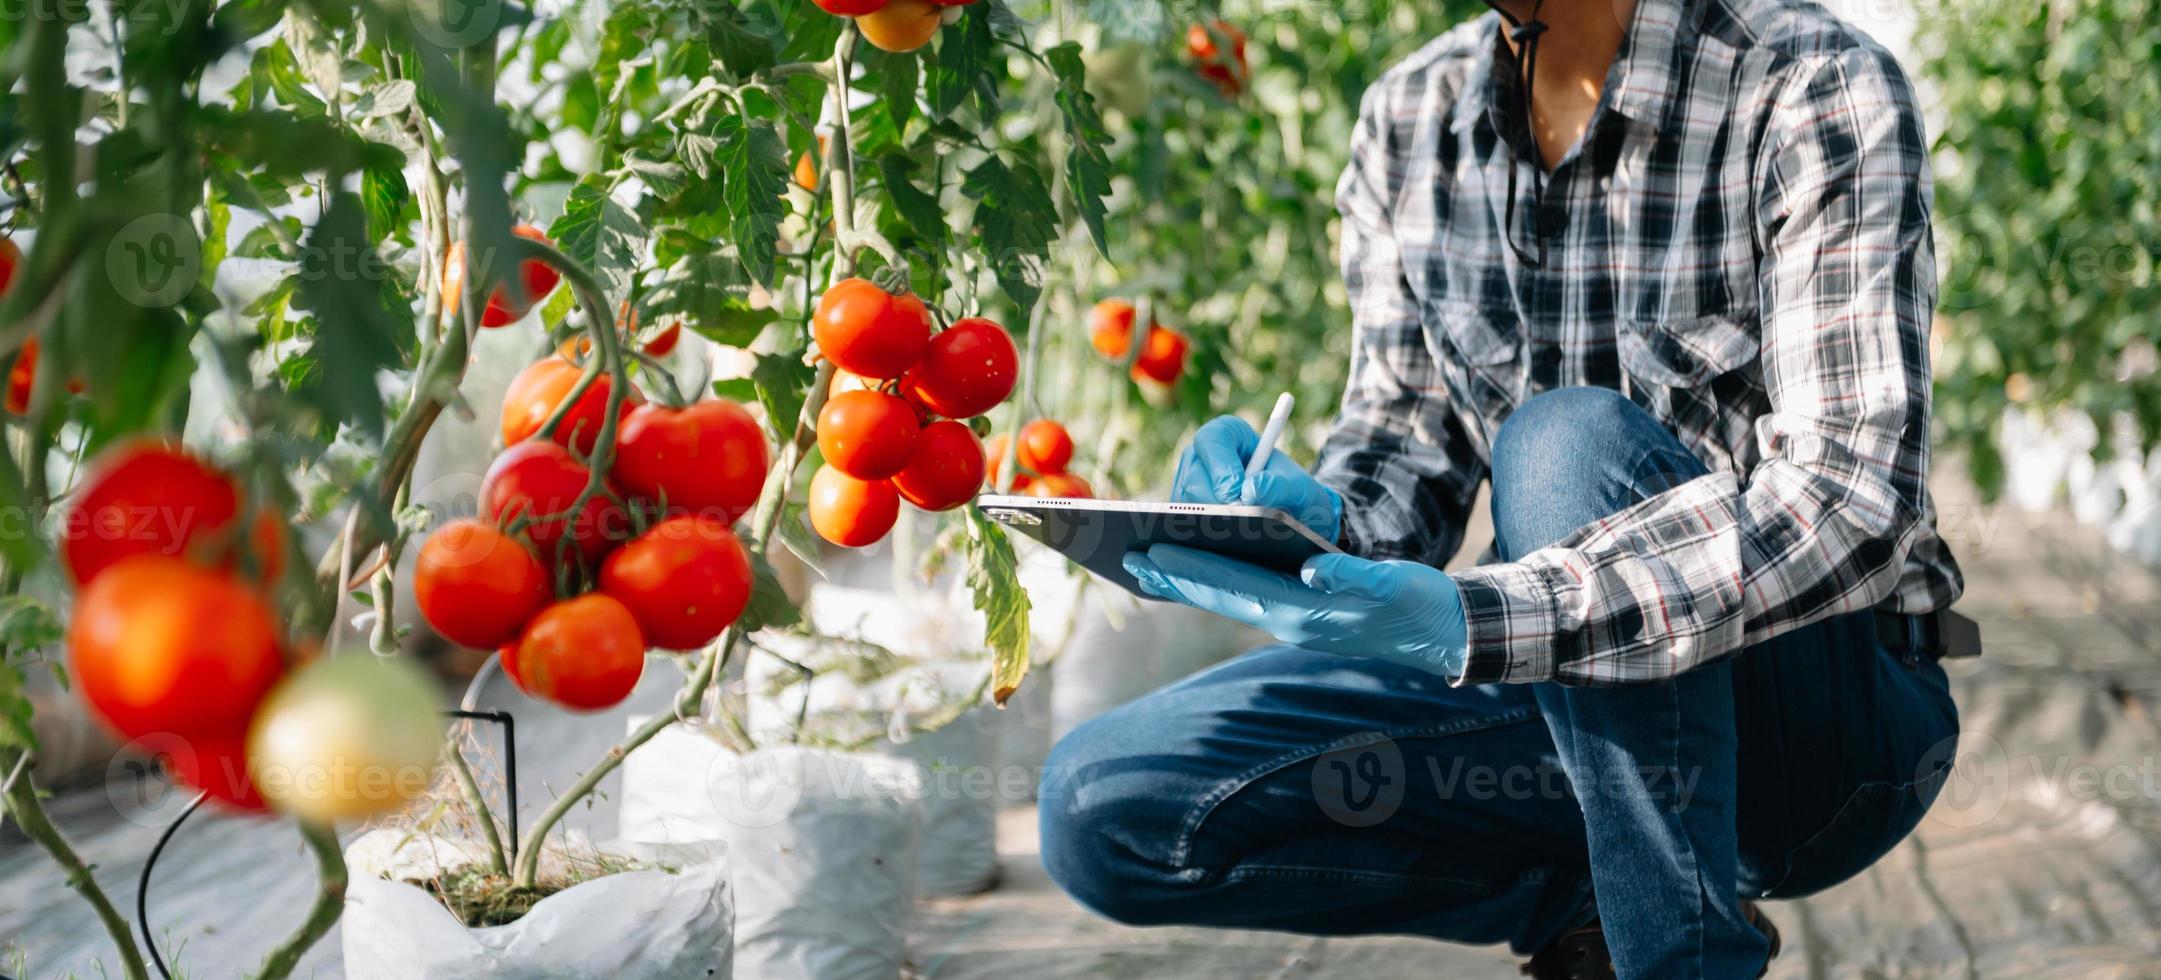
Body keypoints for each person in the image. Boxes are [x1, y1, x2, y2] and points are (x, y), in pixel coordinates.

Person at [1036, 0, 1967, 976]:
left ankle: (1681, 954)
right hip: (1567, 704)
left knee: (1562, 444)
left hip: (1813, 733)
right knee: (1107, 805)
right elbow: (1404, 444)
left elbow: (1848, 502)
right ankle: (1594, 905)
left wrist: (1484, 619)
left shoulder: (1806, 82)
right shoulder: (1411, 118)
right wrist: (1311, 522)